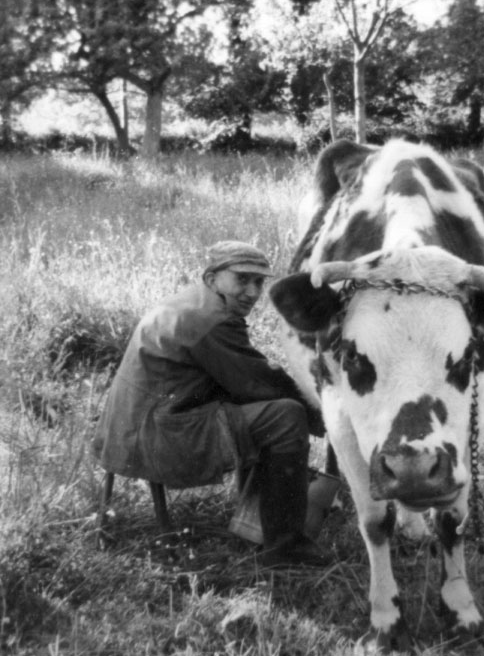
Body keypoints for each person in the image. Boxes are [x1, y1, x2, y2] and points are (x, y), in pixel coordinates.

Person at [92, 240, 330, 567]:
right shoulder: (211, 319)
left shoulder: (194, 301)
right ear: (212, 277)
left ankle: (255, 522)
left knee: (262, 409)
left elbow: (239, 380)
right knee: (286, 416)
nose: (252, 291)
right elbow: (257, 381)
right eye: (242, 279)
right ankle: (284, 545)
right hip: (160, 438)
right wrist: (324, 417)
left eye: (259, 282)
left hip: (127, 430)